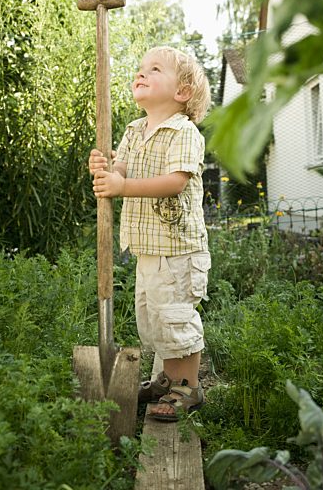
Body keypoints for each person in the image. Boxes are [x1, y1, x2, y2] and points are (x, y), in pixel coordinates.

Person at [89, 45, 211, 422]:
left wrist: (121, 187)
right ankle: (165, 379)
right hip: (147, 247)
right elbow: (120, 169)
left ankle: (187, 389)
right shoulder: (135, 129)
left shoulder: (183, 132)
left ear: (182, 93)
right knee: (153, 318)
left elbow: (175, 182)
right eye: (141, 68)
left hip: (177, 249)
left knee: (175, 318)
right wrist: (106, 166)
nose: (141, 73)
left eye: (154, 69)